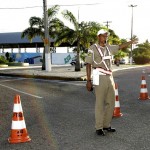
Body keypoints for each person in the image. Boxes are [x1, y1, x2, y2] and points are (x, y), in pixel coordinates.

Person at [85, 29, 138, 136]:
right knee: (100, 103)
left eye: (106, 36)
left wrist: (131, 42)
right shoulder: (92, 49)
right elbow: (88, 64)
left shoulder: (109, 48)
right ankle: (99, 127)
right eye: (104, 36)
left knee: (111, 102)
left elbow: (120, 46)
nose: (105, 38)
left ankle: (106, 125)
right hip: (98, 75)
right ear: (98, 36)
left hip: (109, 76)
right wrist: (88, 80)